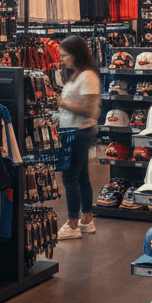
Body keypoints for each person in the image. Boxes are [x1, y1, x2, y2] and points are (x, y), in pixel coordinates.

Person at [55, 36, 101, 239]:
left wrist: (62, 104)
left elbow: (90, 110)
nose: (62, 59)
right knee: (82, 177)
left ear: (76, 54)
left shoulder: (87, 77)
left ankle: (72, 223)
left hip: (80, 131)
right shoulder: (76, 75)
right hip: (73, 130)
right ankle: (86, 220)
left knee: (70, 177)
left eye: (64, 55)